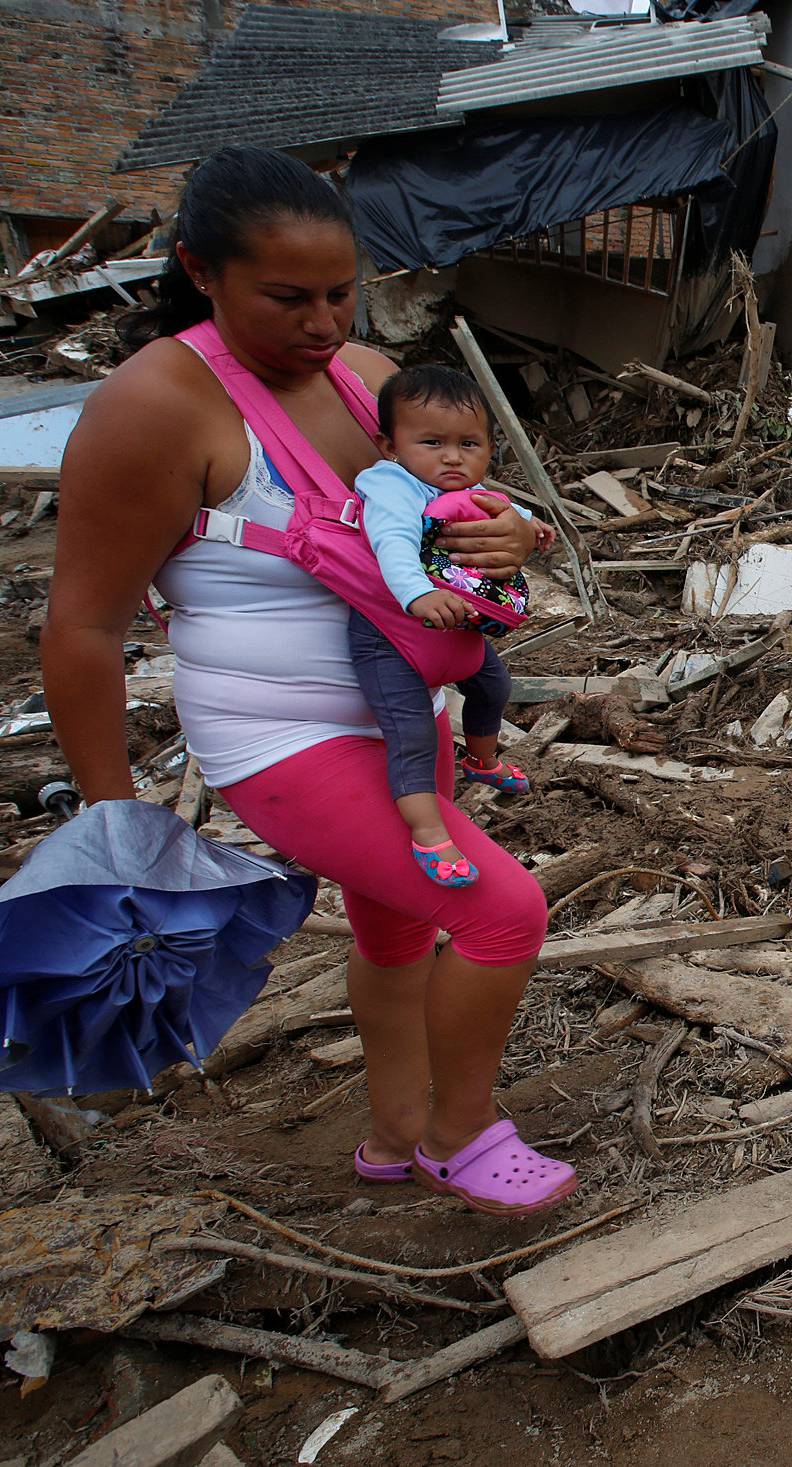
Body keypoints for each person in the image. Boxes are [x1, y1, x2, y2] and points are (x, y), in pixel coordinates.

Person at [44, 146, 575, 1217]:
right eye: (289, 298)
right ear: (200, 268)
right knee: (502, 912)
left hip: (400, 713)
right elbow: (84, 626)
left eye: (343, 293)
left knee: (398, 933)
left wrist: (522, 540)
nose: (326, 324)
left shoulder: (373, 382)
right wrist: (115, 823)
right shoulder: (155, 406)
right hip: (281, 738)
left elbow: (471, 519)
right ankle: (463, 1137)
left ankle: (392, 1134)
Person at [354, 366, 550, 888]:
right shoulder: (393, 485)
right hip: (392, 635)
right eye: (432, 442)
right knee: (412, 732)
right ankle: (427, 832)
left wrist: (531, 527)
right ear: (390, 445)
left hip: (456, 630)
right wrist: (418, 592)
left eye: (469, 443)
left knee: (493, 684)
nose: (452, 457)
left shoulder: (470, 486)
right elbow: (391, 542)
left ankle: (481, 759)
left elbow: (503, 508)